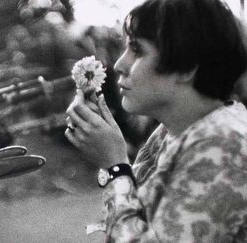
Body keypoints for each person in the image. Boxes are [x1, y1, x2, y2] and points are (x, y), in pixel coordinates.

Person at [65, 0, 247, 242]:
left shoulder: (224, 143)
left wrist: (114, 166)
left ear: (186, 66)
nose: (119, 65)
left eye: (137, 51)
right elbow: (137, 215)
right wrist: (110, 156)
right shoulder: (174, 130)